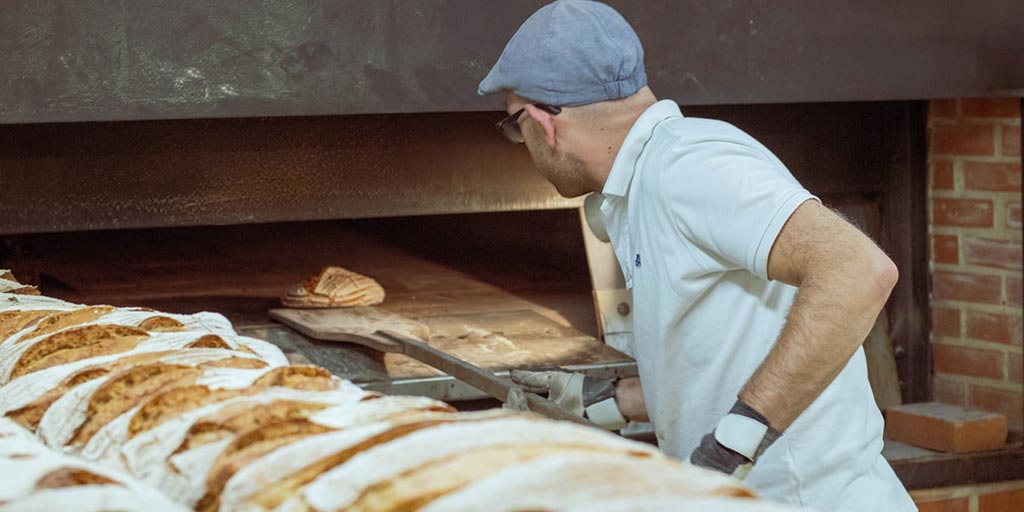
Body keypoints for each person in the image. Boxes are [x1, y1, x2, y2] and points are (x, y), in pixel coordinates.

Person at [477, 1, 916, 510]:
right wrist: (610, 400)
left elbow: (859, 268)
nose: (522, 143)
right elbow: (726, 353)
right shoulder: (643, 182)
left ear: (542, 122)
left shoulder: (687, 166)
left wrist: (735, 443)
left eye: (513, 127)